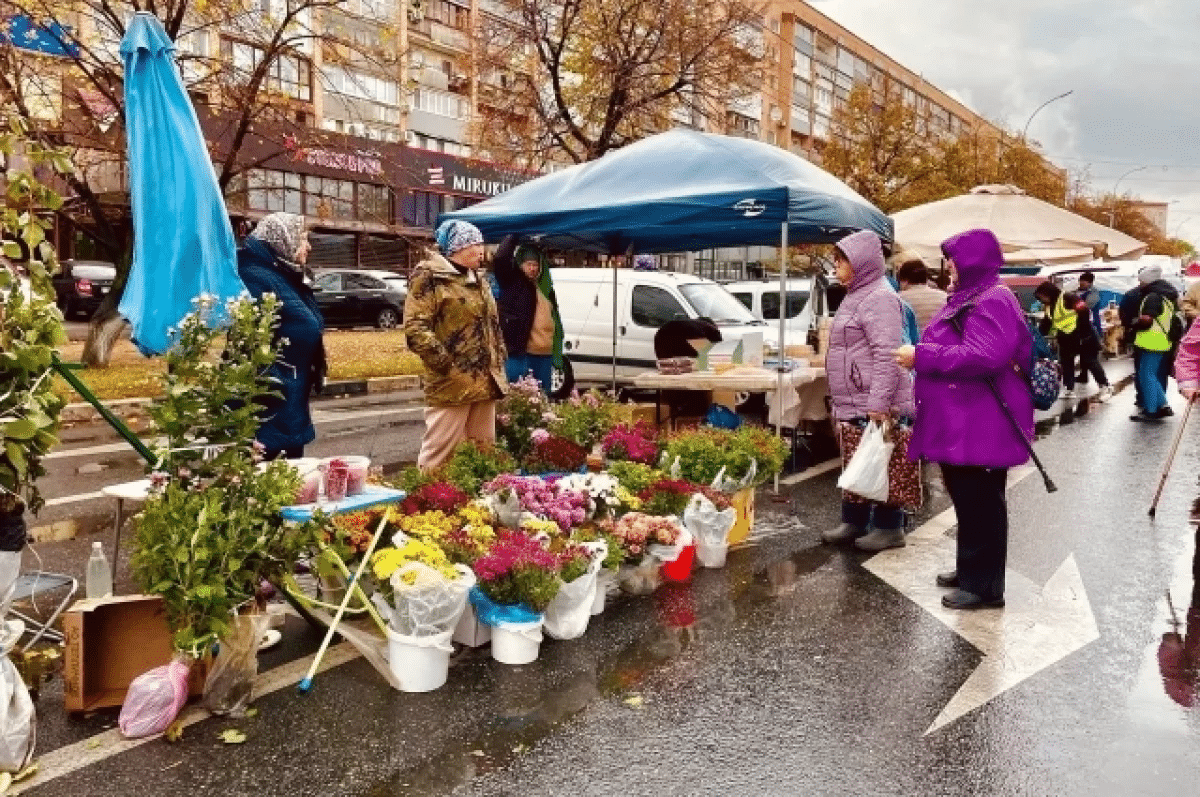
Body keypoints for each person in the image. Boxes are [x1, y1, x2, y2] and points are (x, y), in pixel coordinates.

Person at [894, 228, 1033, 611]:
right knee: (969, 499)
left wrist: (922, 356)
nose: (949, 266)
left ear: (972, 260)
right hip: (966, 416)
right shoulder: (973, 295)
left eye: (954, 259)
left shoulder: (993, 299)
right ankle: (971, 569)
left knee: (982, 502)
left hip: (982, 419)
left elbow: (983, 355)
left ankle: (984, 587)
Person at [821, 230, 913, 552]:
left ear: (860, 263)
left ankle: (890, 527)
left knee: (884, 461)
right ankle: (854, 521)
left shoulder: (880, 297)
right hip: (854, 399)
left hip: (873, 400)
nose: (835, 267)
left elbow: (888, 352)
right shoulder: (855, 294)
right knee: (859, 460)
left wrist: (879, 401)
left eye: (841, 261)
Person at [404, 220, 508, 470]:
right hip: (452, 384)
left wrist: (499, 355)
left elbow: (492, 324)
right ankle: (424, 501)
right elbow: (416, 329)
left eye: (482, 244)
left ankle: (478, 502)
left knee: (483, 451)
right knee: (440, 452)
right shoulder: (430, 276)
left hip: (486, 380)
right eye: (475, 244)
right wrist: (448, 367)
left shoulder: (478, 278)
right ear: (457, 248)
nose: (481, 250)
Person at [236, 212, 326, 460]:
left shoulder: (285, 276)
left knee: (289, 486)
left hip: (289, 402)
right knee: (270, 488)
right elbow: (248, 343)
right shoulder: (255, 277)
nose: (308, 246)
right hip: (269, 409)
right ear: (282, 240)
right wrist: (278, 381)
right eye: (303, 239)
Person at [492, 236, 564, 395]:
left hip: (543, 354)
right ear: (520, 265)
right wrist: (512, 238)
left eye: (536, 265)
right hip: (518, 352)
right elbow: (501, 259)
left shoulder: (542, 287)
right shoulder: (512, 281)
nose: (533, 268)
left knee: (541, 397)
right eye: (529, 264)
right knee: (518, 396)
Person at [1033, 280, 1111, 401]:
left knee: (1091, 362)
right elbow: (1046, 323)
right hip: (1066, 337)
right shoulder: (1049, 306)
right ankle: (1069, 389)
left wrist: (1083, 335)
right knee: (1066, 364)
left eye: (1042, 297)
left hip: (1083, 336)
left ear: (1048, 293)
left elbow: (1084, 312)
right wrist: (1036, 336)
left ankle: (1105, 387)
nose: (1041, 300)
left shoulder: (1068, 297)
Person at [1129, 263, 1180, 422]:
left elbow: (1147, 319)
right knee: (1151, 375)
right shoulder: (1166, 297)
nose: (1140, 284)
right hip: (1162, 341)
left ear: (1147, 281)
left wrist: (1134, 324)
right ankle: (1163, 405)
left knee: (1147, 375)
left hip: (1151, 341)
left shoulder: (1152, 297)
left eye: (1141, 281)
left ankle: (1151, 410)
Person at [896, 258, 948, 335]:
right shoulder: (944, 297)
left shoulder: (898, 299)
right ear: (926, 278)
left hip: (911, 345)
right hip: (938, 343)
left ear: (905, 280)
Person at [1076, 271, 1103, 339]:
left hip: (1092, 322)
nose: (1081, 283)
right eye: (1080, 280)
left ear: (1090, 283)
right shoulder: (1078, 291)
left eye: (1084, 281)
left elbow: (1086, 306)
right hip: (1080, 323)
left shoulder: (1093, 293)